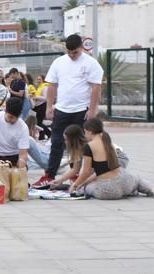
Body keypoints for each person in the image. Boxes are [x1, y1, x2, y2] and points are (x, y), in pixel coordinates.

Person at [37, 34, 104, 187]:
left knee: (79, 143)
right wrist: (49, 106)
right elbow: (52, 85)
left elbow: (96, 87)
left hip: (81, 109)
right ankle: (49, 174)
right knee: (56, 142)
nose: (72, 55)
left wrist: (92, 110)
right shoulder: (58, 62)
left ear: (81, 48)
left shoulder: (91, 63)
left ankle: (77, 173)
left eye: (75, 52)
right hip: (61, 109)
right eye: (69, 52)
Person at [68, 118, 154, 199]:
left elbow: (85, 172)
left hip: (107, 190)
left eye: (85, 132)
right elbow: (106, 168)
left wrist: (76, 185)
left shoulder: (89, 146)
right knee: (137, 179)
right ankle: (153, 190)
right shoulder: (108, 142)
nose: (85, 135)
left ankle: (132, 192)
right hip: (124, 182)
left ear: (90, 131)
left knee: (86, 188)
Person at [0, 95, 32, 167]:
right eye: (10, 117)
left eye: (16, 118)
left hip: (13, 157)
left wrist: (21, 166)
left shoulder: (23, 127)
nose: (13, 120)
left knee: (22, 170)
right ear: (5, 111)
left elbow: (23, 153)